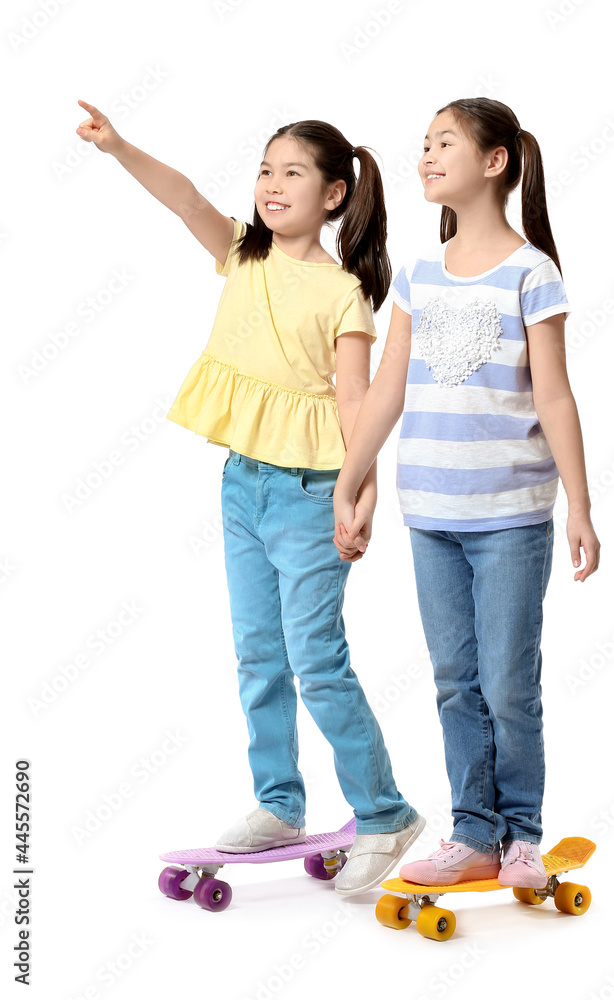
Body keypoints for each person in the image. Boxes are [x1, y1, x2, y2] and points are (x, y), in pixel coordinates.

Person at [75, 99, 423, 895]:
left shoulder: (344, 295)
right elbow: (188, 198)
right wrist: (120, 146)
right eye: (265, 169)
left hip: (310, 495)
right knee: (259, 657)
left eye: (292, 172)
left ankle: (385, 812)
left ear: (333, 194)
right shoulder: (243, 254)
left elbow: (355, 408)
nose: (271, 184)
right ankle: (278, 803)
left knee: (317, 662)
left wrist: (358, 495)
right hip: (243, 485)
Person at [332, 97, 600, 890]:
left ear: (494, 163)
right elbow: (386, 388)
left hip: (511, 517)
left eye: (442, 142)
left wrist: (579, 506)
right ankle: (472, 830)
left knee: (508, 683)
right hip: (430, 515)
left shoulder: (530, 272)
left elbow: (554, 397)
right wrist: (350, 480)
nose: (424, 156)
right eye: (421, 144)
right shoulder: (417, 273)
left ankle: (520, 833)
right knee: (454, 679)